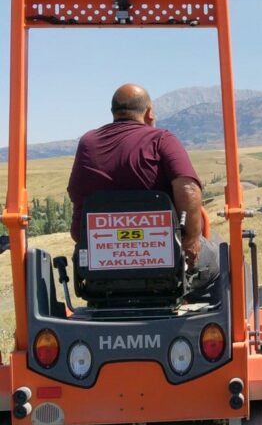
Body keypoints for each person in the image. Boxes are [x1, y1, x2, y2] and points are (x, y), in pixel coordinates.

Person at [67, 83, 219, 291]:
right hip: (164, 273)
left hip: (102, 276)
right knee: (221, 256)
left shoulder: (88, 142)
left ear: (114, 113)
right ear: (149, 113)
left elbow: (77, 194)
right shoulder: (161, 139)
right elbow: (188, 188)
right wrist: (191, 240)